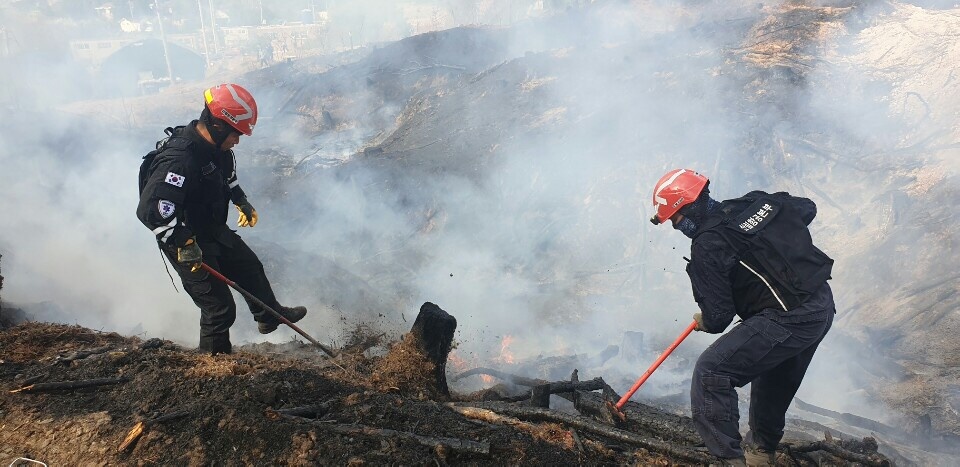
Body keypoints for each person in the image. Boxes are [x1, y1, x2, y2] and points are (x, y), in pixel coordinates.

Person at [649, 169, 835, 466]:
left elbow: (720, 316)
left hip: (788, 319)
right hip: (821, 305)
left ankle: (729, 460)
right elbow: (806, 208)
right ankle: (761, 452)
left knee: (711, 373)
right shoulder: (756, 203)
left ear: (689, 207)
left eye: (675, 218)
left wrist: (705, 320)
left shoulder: (708, 244)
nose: (675, 227)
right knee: (774, 377)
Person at [137, 83, 307, 355]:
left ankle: (268, 316)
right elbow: (151, 209)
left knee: (250, 266)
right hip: (183, 241)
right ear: (218, 126)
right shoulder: (179, 161)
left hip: (211, 229)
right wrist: (184, 242)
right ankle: (214, 365)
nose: (237, 141)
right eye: (236, 134)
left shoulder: (218, 150)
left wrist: (241, 200)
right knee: (219, 308)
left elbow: (226, 178)